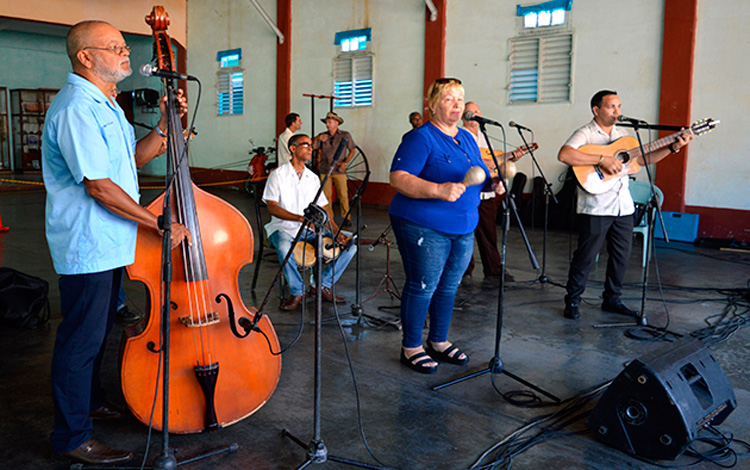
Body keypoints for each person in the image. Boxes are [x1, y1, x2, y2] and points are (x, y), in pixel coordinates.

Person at [43, 20, 191, 464]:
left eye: (125, 47)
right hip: (88, 244)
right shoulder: (75, 108)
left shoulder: (106, 104)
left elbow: (134, 158)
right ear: (85, 57)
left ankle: (90, 404)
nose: (126, 54)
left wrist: (164, 126)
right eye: (115, 47)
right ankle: (71, 438)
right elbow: (99, 186)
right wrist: (156, 224)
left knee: (98, 331)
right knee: (80, 340)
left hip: (112, 243)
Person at [389, 78, 504, 374]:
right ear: (432, 105)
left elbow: (475, 173)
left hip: (464, 224)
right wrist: (438, 190)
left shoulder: (466, 137)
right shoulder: (421, 137)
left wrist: (494, 181)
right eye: (449, 98)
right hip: (423, 224)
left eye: (460, 98)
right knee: (423, 285)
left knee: (449, 286)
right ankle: (412, 345)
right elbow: (398, 177)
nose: (457, 104)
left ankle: (438, 340)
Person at [558, 90, 692, 320]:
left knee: (621, 256)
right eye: (611, 106)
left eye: (619, 106)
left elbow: (642, 159)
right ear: (596, 110)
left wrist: (672, 147)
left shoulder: (624, 135)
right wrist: (601, 159)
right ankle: (573, 300)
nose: (617, 111)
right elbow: (565, 155)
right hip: (596, 205)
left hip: (623, 206)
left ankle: (612, 299)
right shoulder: (586, 133)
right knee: (586, 256)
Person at [263, 133, 357, 311]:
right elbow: (272, 208)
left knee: (351, 244)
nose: (310, 148)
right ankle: (297, 291)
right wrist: (300, 219)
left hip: (311, 230)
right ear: (293, 149)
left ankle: (320, 285)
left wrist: (336, 230)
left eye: (310, 145)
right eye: (305, 145)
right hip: (283, 228)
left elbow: (324, 209)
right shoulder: (278, 175)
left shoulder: (312, 178)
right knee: (284, 247)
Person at [461, 101, 524, 284]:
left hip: (486, 194)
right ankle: (464, 269)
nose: (475, 114)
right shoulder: (459, 136)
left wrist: (504, 170)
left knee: (488, 233)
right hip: (467, 194)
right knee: (464, 234)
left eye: (477, 111)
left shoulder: (485, 137)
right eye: (471, 112)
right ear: (464, 116)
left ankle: (494, 270)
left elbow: (496, 164)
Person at [313, 111, 356, 227]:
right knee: (326, 196)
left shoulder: (345, 135)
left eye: (330, 122)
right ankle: (329, 218)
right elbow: (312, 147)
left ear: (336, 123)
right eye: (327, 122)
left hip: (339, 169)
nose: (327, 124)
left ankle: (346, 216)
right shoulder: (322, 136)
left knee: (343, 194)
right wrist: (317, 138)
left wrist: (345, 163)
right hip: (325, 169)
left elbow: (352, 150)